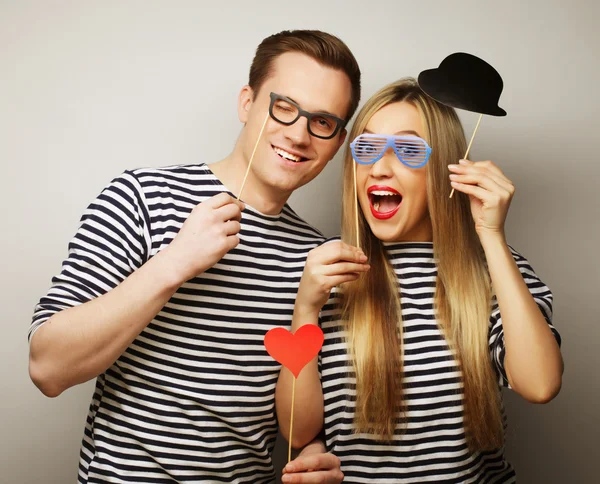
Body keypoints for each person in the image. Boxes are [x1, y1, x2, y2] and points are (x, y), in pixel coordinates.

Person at [28, 29, 360, 484]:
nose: (299, 135)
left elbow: (300, 420)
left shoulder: (319, 261)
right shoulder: (141, 197)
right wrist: (173, 263)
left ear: (337, 142)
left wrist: (315, 450)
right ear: (247, 103)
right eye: (283, 107)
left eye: (322, 122)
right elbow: (48, 368)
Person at [276, 77, 563, 483]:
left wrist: (492, 237)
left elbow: (540, 384)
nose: (379, 168)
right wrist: (305, 308)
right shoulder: (325, 272)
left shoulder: (496, 270)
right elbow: (298, 431)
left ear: (447, 167)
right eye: (368, 148)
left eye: (408, 150)